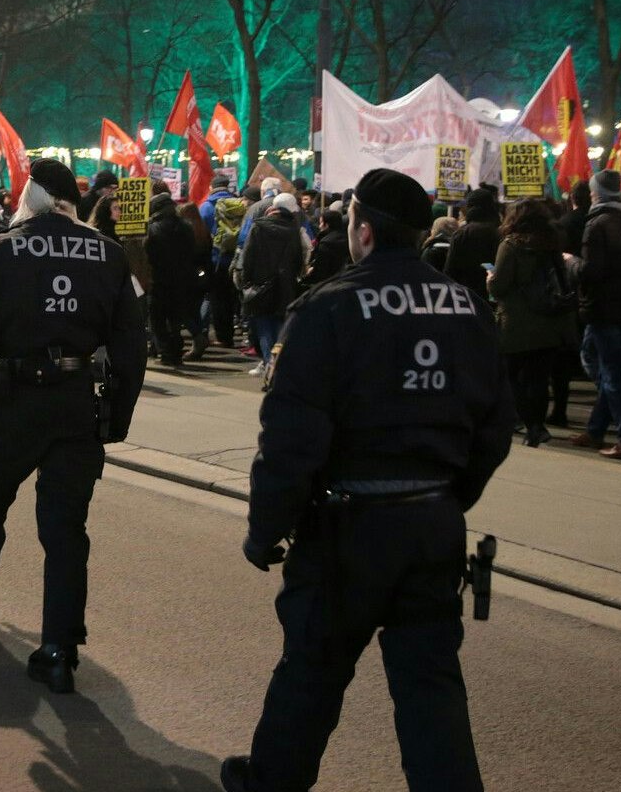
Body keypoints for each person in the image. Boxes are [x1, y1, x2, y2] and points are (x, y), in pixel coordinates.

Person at [222, 168, 512, 792]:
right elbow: (495, 427)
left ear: (363, 231)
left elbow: (291, 442)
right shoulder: (467, 306)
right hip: (433, 525)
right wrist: (447, 498)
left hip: (346, 531)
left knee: (313, 673)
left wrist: (264, 529)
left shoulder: (328, 307)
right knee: (430, 689)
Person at [0, 159, 146, 696]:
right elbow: (130, 346)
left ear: (31, 197)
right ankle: (58, 649)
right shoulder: (109, 253)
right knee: (66, 530)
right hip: (77, 405)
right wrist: (117, 416)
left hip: (11, 403)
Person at [575, 170, 621, 460]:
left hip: (601, 307)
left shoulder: (596, 225)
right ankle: (595, 430)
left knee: (611, 373)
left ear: (595, 194)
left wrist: (570, 264)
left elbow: (590, 271)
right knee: (600, 361)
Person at [488, 200, 574, 448]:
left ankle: (531, 425)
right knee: (538, 379)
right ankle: (537, 425)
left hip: (517, 323)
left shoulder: (511, 245)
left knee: (510, 376)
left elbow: (500, 286)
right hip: (549, 321)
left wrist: (490, 279)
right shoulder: (552, 243)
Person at [235, 193, 305, 377]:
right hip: (285, 286)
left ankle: (269, 364)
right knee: (279, 326)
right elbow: (298, 260)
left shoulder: (258, 227)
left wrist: (246, 281)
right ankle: (278, 364)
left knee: (264, 326)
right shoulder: (293, 229)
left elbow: (248, 257)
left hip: (260, 286)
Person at [144, 190, 207, 367]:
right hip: (183, 279)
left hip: (160, 279)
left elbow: (150, 254)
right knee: (175, 318)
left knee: (157, 318)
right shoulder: (186, 225)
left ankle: (166, 351)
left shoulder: (152, 228)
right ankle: (175, 352)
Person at [203, 174, 244, 347]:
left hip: (215, 259)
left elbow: (200, 233)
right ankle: (228, 335)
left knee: (216, 299)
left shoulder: (206, 207)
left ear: (212, 187)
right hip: (234, 258)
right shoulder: (239, 205)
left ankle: (220, 336)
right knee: (230, 299)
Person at [442, 185, 502, 297]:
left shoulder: (461, 234)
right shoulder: (500, 232)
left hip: (466, 294)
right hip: (493, 294)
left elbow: (450, 270)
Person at [304, 209, 349, 288]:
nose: (319, 226)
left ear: (327, 225)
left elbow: (321, 269)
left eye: (321, 223)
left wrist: (311, 271)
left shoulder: (326, 243)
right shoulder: (347, 239)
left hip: (326, 284)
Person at [79, 170, 119, 241]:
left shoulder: (107, 201)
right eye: (109, 188)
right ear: (100, 187)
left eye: (115, 188)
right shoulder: (85, 202)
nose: (112, 192)